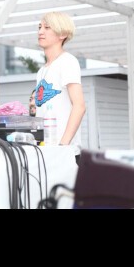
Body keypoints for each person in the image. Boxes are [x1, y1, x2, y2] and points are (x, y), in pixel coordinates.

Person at [35, 11, 86, 165]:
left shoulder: (67, 62)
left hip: (65, 154)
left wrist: (63, 146)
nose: (40, 31)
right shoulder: (41, 71)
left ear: (62, 34)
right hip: (45, 152)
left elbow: (79, 106)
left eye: (47, 28)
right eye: (39, 27)